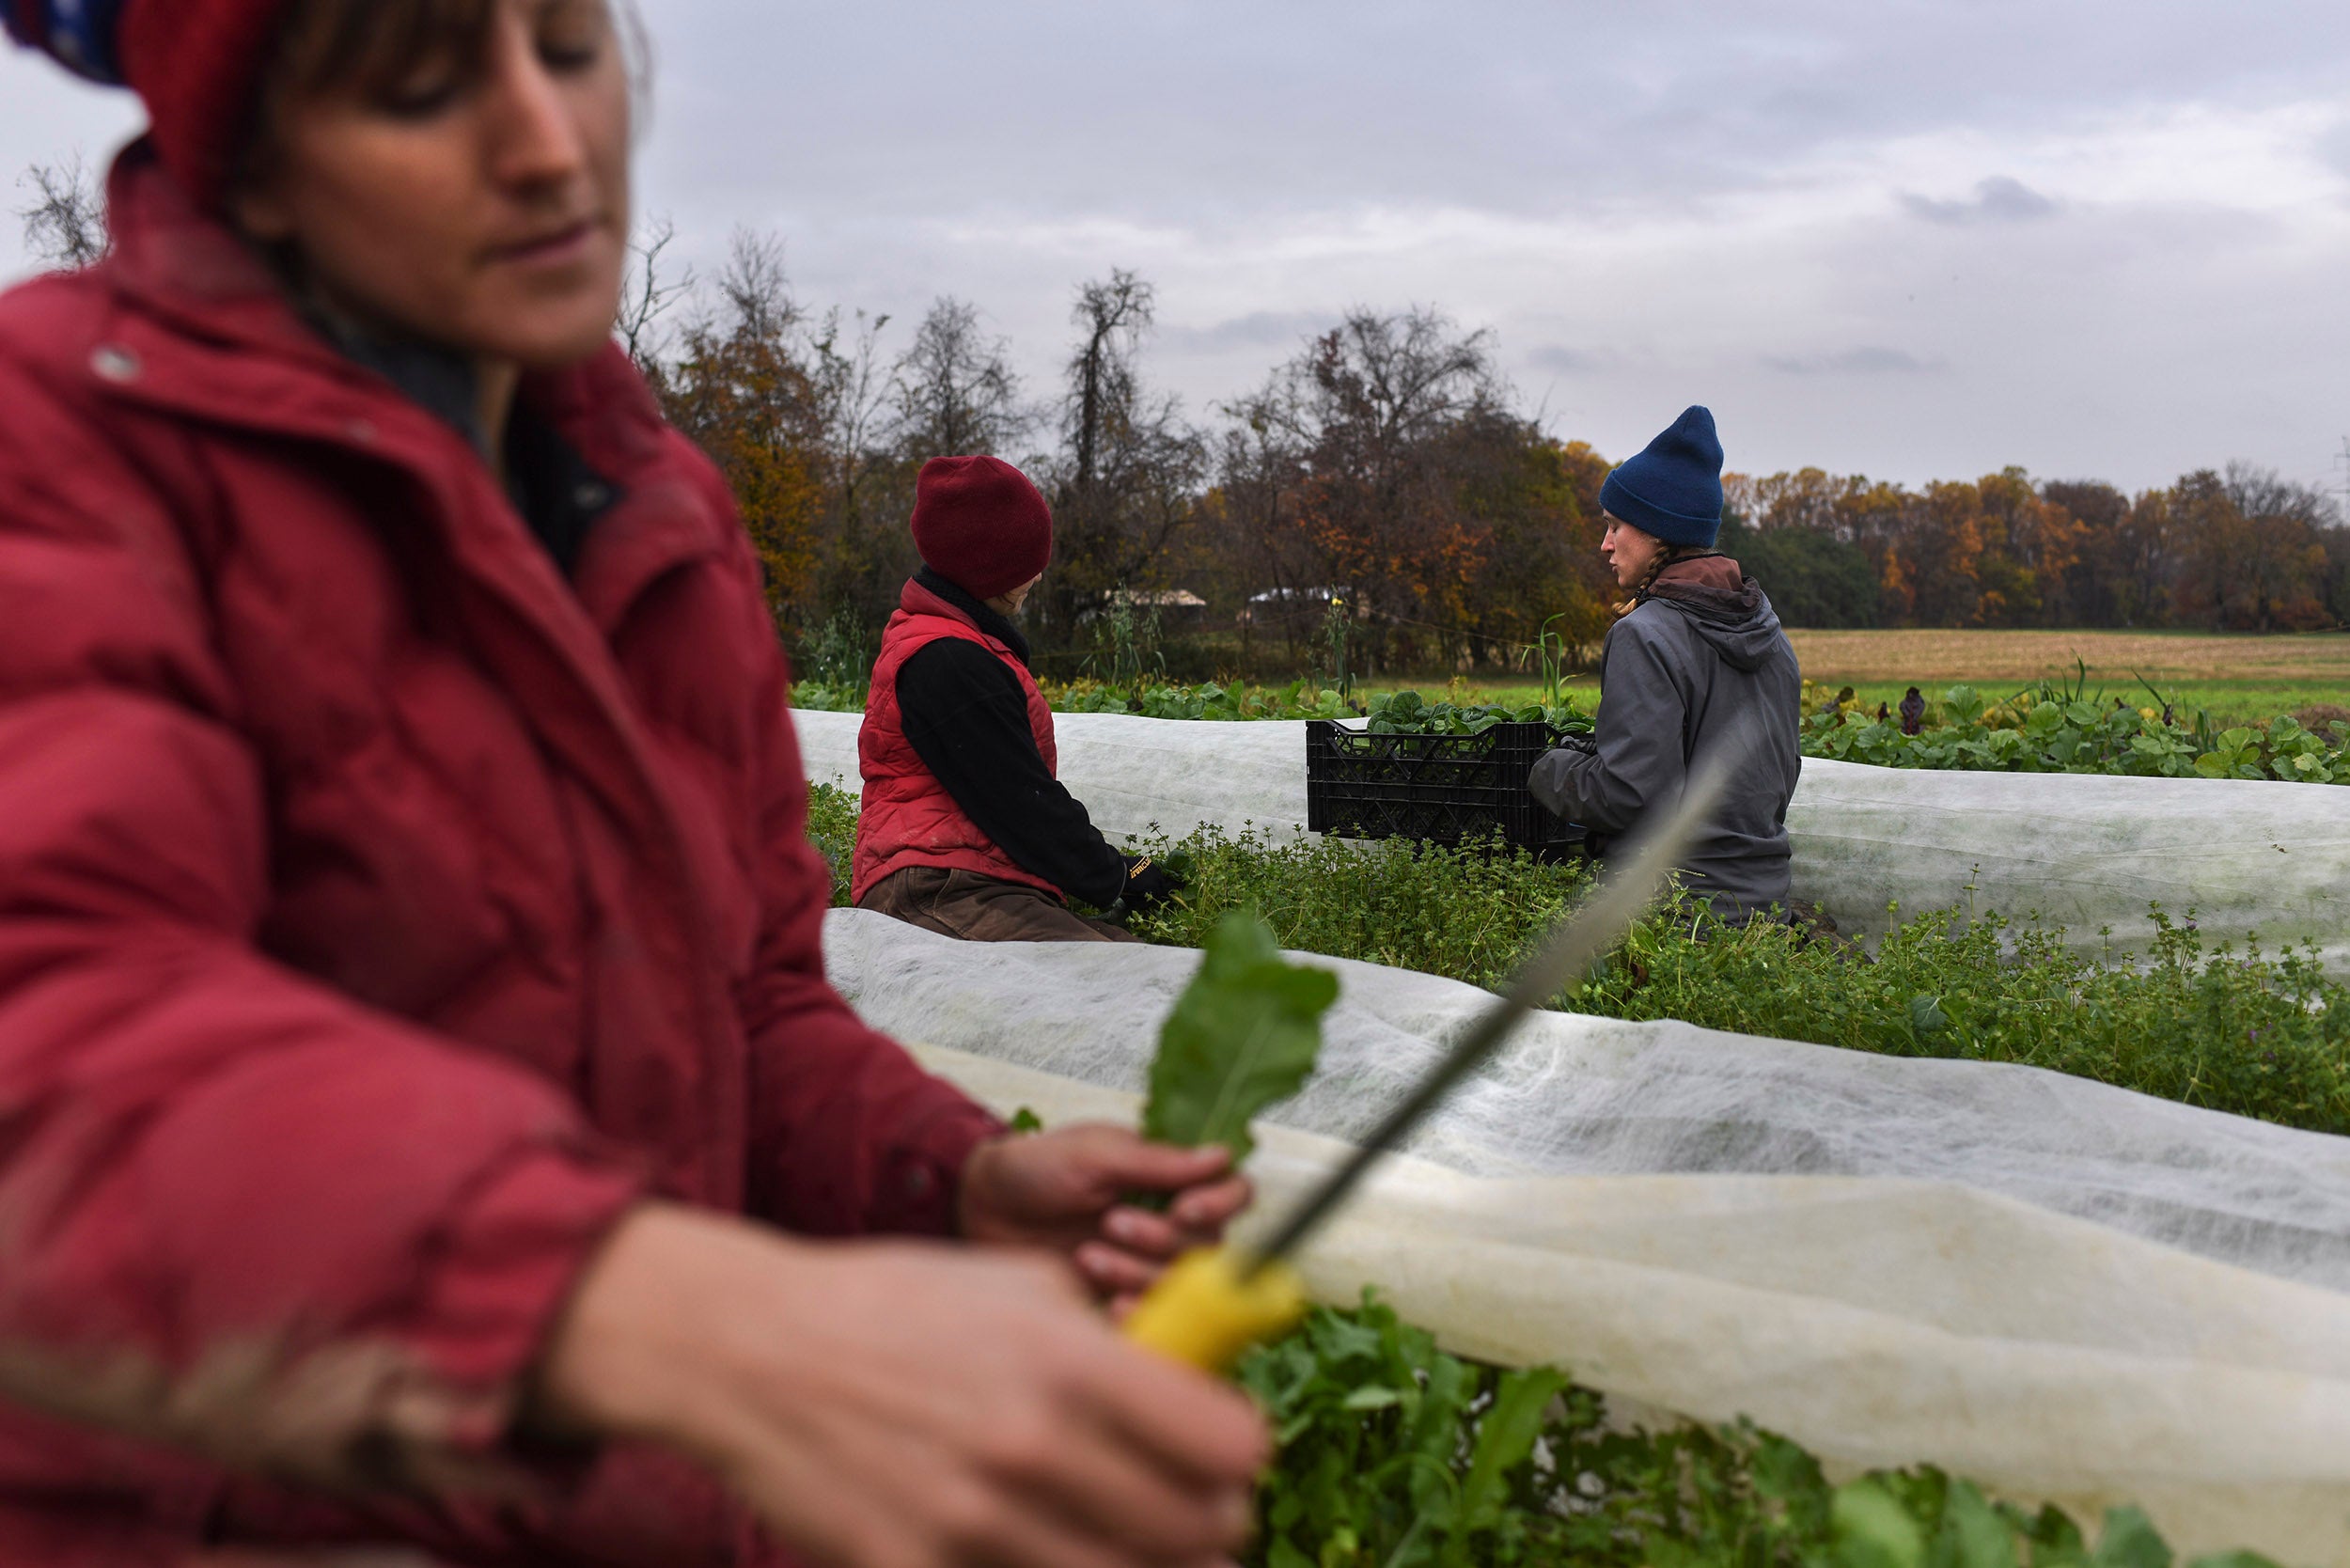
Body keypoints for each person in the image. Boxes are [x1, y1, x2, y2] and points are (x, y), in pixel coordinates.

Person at [0, 4, 1269, 1566]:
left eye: (570, 45)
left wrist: (954, 1180)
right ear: (252, 161)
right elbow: (51, 1038)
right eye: (419, 83)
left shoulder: (652, 518)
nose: (548, 145)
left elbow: (739, 1013)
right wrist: (680, 1318)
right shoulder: (60, 443)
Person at [852, 455, 1180, 943]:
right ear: (988, 569)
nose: (1038, 577)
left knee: (1130, 961)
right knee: (1125, 982)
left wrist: (1117, 874)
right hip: (938, 886)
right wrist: (1120, 877)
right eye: (1028, 565)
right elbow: (1021, 802)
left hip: (964, 879)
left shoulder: (955, 648)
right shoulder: (948, 662)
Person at [1528, 406, 1804, 921]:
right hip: (1765, 910)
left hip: (1673, 915)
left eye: (1614, 526)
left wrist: (1548, 768)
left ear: (1658, 532)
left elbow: (1629, 793)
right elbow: (1779, 778)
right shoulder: (1771, 635)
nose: (1604, 544)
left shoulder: (1645, 634)